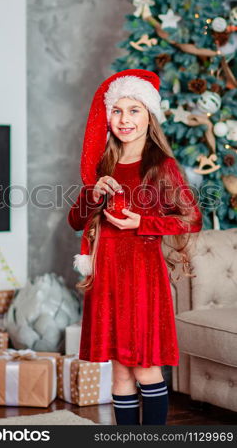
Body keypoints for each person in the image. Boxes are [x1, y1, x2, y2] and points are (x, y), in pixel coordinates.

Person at [67, 69, 203, 426]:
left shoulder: (160, 166)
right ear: (108, 116)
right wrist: (92, 194)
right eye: (118, 110)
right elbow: (75, 221)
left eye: (134, 110)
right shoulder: (103, 166)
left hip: (142, 280)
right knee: (121, 373)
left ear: (149, 116)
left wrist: (143, 223)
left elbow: (191, 219)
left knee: (144, 369)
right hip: (107, 277)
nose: (124, 119)